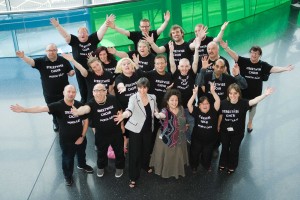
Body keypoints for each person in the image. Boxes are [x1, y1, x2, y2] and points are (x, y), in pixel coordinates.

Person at [10, 85, 93, 186]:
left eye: (73, 92)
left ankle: (82, 165)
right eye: (69, 91)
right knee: (67, 159)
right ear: (64, 92)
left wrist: (82, 136)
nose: (71, 94)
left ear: (76, 93)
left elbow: (86, 120)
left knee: (81, 153)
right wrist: (24, 109)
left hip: (80, 137)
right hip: (66, 140)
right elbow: (41, 108)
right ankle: (67, 176)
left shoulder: (79, 105)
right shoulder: (58, 106)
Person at [220, 40, 294, 133]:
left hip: (255, 92)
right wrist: (226, 48)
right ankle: (238, 122)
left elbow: (274, 69)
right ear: (250, 53)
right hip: (242, 91)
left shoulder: (263, 65)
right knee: (239, 108)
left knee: (252, 108)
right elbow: (235, 55)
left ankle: (250, 122)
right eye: (252, 53)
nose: (254, 55)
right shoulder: (244, 61)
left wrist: (285, 69)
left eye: (256, 53)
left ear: (260, 55)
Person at [50, 14, 115, 103]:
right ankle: (85, 102)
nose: (83, 34)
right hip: (80, 69)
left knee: (95, 86)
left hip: (93, 69)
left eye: (84, 32)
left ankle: (101, 100)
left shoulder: (92, 39)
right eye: (80, 32)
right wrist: (57, 26)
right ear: (78, 34)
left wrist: (106, 23)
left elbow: (101, 32)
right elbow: (65, 35)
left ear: (87, 33)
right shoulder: (74, 40)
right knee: (83, 87)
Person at [15, 43, 75, 132]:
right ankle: (55, 121)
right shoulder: (42, 61)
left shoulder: (63, 60)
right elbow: (31, 62)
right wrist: (23, 57)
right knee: (52, 109)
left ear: (56, 51)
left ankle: (67, 120)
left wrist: (71, 72)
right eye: (49, 50)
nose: (51, 52)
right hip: (50, 93)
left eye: (53, 50)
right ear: (46, 51)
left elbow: (70, 70)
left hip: (64, 92)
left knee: (67, 107)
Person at [71, 84, 125, 178]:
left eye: (101, 90)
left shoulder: (112, 99)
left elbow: (120, 111)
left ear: (105, 92)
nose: (99, 93)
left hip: (115, 132)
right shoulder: (91, 104)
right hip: (101, 134)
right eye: (96, 91)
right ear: (93, 92)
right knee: (101, 152)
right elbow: (85, 109)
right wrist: (78, 112)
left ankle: (120, 167)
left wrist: (122, 125)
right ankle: (101, 167)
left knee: (119, 151)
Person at [218, 83, 274, 174]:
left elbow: (254, 101)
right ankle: (222, 164)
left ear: (239, 94)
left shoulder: (243, 103)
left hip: (238, 133)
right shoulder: (223, 103)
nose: (233, 96)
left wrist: (265, 95)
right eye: (231, 93)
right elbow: (220, 116)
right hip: (225, 132)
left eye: (235, 93)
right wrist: (218, 126)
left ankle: (232, 166)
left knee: (234, 150)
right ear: (228, 94)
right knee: (224, 148)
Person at [114, 77, 157, 188]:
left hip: (148, 129)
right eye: (140, 88)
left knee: (147, 150)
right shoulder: (133, 98)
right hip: (136, 130)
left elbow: (155, 110)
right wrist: (123, 115)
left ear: (147, 88)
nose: (142, 90)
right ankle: (133, 177)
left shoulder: (153, 97)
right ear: (137, 87)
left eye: (144, 87)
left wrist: (159, 114)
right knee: (134, 153)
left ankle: (145, 165)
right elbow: (129, 110)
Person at [150, 89, 188, 179]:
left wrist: (185, 125)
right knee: (168, 155)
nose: (174, 102)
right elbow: (161, 115)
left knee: (177, 155)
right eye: (172, 100)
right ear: (167, 101)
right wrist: (158, 115)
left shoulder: (181, 108)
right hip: (167, 137)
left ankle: (176, 169)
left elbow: (183, 119)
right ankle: (166, 171)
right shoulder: (165, 111)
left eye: (176, 100)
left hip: (180, 137)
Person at [169, 37, 201, 143]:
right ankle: (177, 140)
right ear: (179, 67)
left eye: (186, 66)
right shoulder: (176, 73)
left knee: (192, 122)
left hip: (189, 106)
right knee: (176, 124)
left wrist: (196, 49)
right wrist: (171, 51)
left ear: (189, 66)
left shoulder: (192, 73)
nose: (184, 68)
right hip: (177, 106)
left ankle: (188, 138)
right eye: (182, 66)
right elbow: (172, 63)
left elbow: (196, 62)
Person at [187, 84, 220, 172]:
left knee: (207, 154)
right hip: (197, 138)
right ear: (199, 105)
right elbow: (189, 105)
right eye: (202, 104)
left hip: (210, 139)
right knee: (194, 153)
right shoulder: (196, 110)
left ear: (210, 104)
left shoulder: (213, 110)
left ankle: (206, 165)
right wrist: (194, 94)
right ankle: (194, 166)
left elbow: (217, 101)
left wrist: (213, 92)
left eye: (207, 103)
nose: (205, 105)